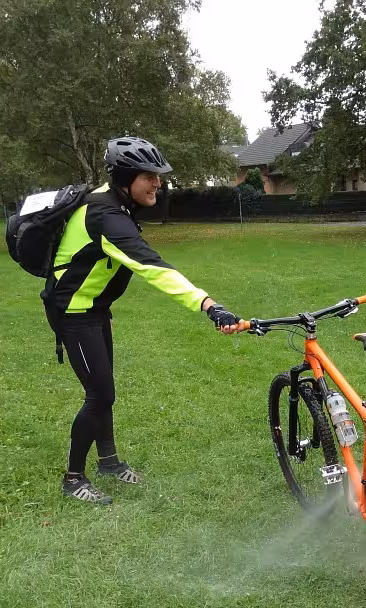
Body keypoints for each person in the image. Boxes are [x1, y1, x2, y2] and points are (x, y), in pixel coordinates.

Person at [43, 136, 242, 505]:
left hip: (95, 309)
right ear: (125, 178)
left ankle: (109, 462)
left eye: (158, 176)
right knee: (100, 395)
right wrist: (208, 304)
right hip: (73, 312)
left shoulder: (113, 201)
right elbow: (152, 266)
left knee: (104, 393)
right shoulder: (105, 215)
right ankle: (73, 478)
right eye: (149, 177)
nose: (157, 184)